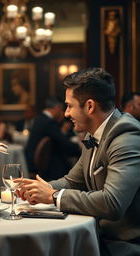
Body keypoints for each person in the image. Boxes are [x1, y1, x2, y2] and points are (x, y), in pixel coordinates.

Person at [18, 68, 140, 256]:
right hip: (97, 235)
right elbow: (72, 181)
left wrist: (54, 196)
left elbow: (112, 203)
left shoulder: (126, 138)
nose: (66, 113)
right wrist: (35, 190)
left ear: (90, 106)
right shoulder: (94, 135)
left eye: (69, 106)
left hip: (123, 245)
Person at [25, 96, 80, 181]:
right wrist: (81, 148)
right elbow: (67, 146)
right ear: (58, 107)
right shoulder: (48, 122)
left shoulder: (40, 119)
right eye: (62, 109)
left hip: (35, 165)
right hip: (46, 170)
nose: (64, 113)